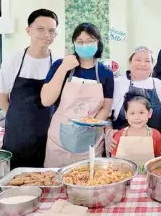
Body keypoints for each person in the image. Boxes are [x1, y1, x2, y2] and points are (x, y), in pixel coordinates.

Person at [41, 23, 114, 167]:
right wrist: (64, 68)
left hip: (91, 138)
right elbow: (46, 100)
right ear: (74, 43)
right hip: (59, 138)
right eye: (80, 42)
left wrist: (89, 125)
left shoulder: (105, 73)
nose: (85, 45)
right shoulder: (60, 65)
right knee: (55, 182)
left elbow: (106, 108)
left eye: (90, 41)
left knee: (88, 182)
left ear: (98, 43)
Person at [0, 9, 58, 169]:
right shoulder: (12, 62)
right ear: (28, 30)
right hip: (18, 137)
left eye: (52, 31)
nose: (47, 34)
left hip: (51, 136)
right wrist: (21, 120)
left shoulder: (58, 63)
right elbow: (1, 100)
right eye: (40, 29)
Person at [106, 45, 161, 155]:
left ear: (152, 66)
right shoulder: (118, 84)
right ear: (130, 62)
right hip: (120, 146)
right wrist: (108, 132)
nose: (142, 64)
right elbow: (106, 115)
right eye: (138, 60)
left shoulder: (160, 86)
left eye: (147, 61)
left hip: (154, 147)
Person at [111, 91, 161, 167]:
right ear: (126, 114)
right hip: (124, 176)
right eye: (132, 113)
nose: (137, 117)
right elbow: (113, 161)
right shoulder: (119, 135)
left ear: (149, 113)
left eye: (141, 113)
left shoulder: (155, 134)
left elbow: (158, 159)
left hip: (147, 177)